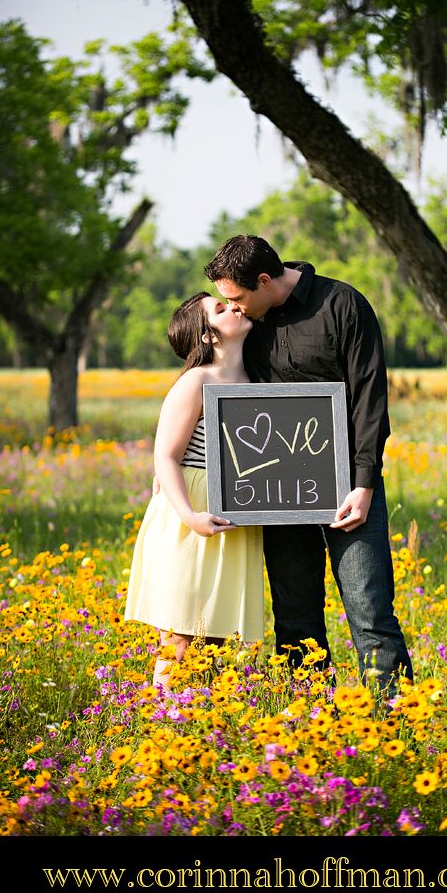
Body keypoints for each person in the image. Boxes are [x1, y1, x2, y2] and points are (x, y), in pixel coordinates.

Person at [203, 235, 413, 699]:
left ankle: (398, 725)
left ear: (263, 280)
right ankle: (311, 726)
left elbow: (369, 400)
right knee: (295, 619)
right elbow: (207, 381)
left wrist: (363, 484)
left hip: (348, 490)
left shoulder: (342, 304)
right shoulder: (245, 324)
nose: (232, 308)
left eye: (236, 297)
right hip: (276, 493)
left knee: (370, 612)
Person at [124, 292, 264, 688]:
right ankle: (164, 724)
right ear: (207, 336)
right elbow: (165, 456)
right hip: (193, 513)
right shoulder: (197, 380)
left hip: (234, 512)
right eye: (220, 309)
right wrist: (191, 517)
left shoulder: (254, 378)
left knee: (217, 633)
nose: (234, 306)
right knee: (182, 633)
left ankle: (200, 726)